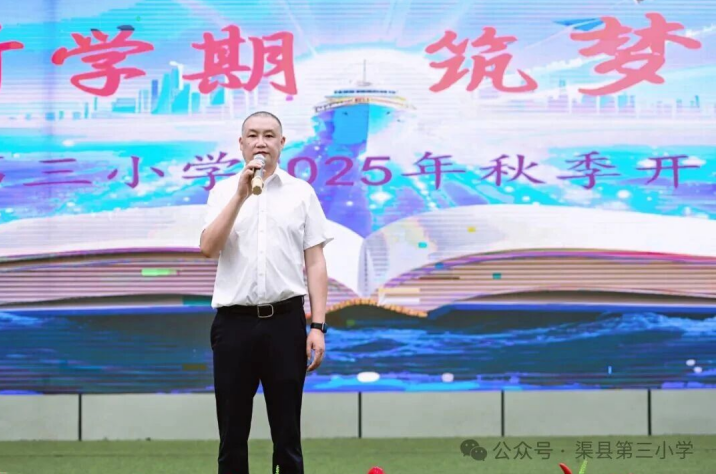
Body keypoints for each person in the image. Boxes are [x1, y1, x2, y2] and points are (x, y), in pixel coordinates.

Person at [199, 111, 333, 474]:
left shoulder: (301, 193)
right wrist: (240, 196)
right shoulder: (223, 191)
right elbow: (209, 248)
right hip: (234, 325)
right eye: (254, 135)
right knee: (232, 433)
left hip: (285, 322)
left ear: (282, 143)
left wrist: (318, 327)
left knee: (287, 433)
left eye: (270, 135)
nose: (261, 143)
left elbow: (315, 262)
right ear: (241, 143)